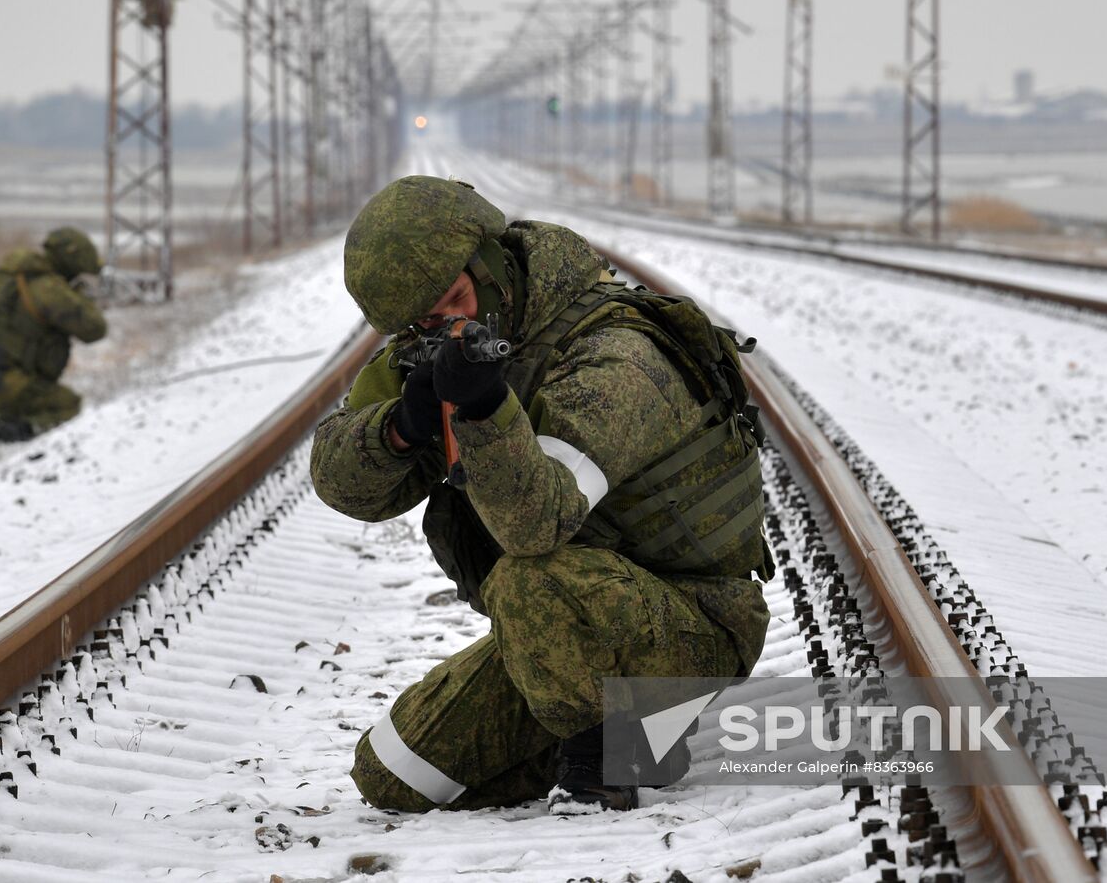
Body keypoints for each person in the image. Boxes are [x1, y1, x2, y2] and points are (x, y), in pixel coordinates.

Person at [311, 175, 772, 814]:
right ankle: (577, 719)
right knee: (396, 772)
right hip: (568, 627)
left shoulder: (616, 354)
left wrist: (481, 408)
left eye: (455, 300)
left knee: (531, 579)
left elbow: (536, 524)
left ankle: (615, 756)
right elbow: (341, 486)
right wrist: (401, 427)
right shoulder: (438, 344)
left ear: (494, 265)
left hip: (691, 624)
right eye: (423, 322)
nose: (445, 326)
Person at [0, 227, 107, 449]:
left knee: (27, 404)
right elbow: (94, 329)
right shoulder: (46, 286)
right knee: (66, 405)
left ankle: (11, 439)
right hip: (0, 380)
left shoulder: (15, 275)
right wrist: (81, 297)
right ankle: (26, 451)